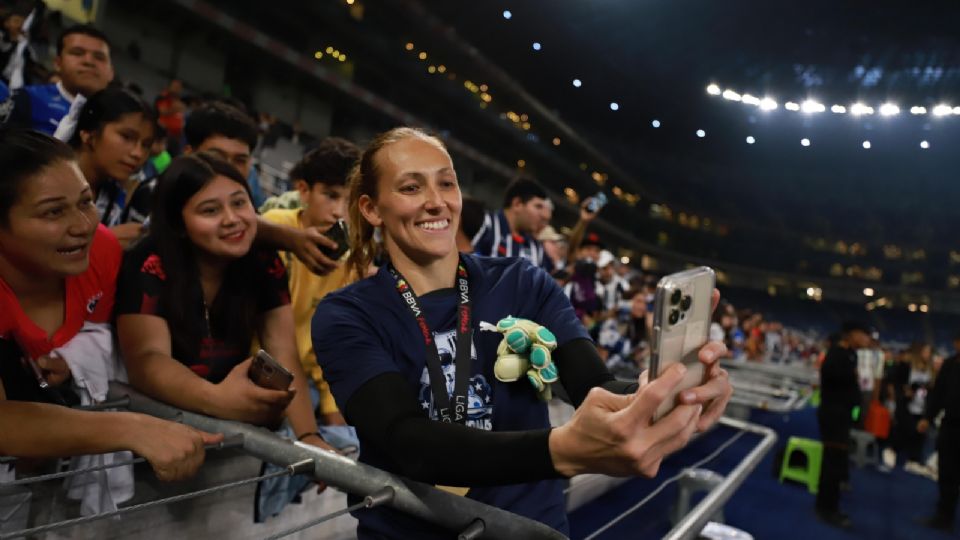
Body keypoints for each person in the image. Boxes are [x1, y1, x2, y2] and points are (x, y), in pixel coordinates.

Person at [311, 127, 732, 539]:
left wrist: (661, 391)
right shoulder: (347, 314)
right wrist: (560, 450)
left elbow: (593, 385)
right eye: (410, 188)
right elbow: (407, 442)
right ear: (370, 208)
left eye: (447, 184)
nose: (436, 202)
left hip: (531, 528)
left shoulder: (522, 283)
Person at [0, 128, 220, 481]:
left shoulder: (99, 252)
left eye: (86, 201)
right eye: (53, 212)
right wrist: (132, 429)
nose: (83, 226)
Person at [114, 153, 332, 453]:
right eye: (210, 210)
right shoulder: (150, 262)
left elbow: (282, 349)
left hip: (222, 426)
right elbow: (147, 358)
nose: (232, 219)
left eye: (239, 203)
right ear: (178, 223)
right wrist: (217, 400)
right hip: (153, 427)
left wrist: (308, 436)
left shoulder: (263, 261)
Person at [261, 138, 359, 426]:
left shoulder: (349, 263)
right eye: (330, 195)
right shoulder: (273, 226)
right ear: (303, 191)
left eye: (349, 201)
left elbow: (327, 348)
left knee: (348, 443)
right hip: (258, 370)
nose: (340, 212)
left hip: (308, 383)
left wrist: (334, 413)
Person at [183, 101, 341, 277]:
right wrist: (292, 238)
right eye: (215, 156)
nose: (228, 170)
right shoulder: (167, 208)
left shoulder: (261, 260)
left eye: (240, 160)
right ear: (189, 155)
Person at [69, 86, 156, 247]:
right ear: (89, 134)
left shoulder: (115, 195)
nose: (138, 153)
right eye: (127, 137)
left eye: (146, 145)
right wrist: (104, 242)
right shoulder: (42, 180)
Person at [2, 24, 114, 135]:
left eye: (99, 57)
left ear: (111, 72)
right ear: (58, 63)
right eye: (77, 53)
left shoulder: (122, 120)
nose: (88, 61)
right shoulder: (25, 99)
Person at [815, 320, 872, 528]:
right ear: (851, 334)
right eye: (863, 334)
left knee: (837, 462)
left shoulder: (851, 355)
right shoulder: (836, 354)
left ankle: (831, 504)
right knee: (832, 462)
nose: (866, 339)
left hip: (843, 416)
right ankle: (826, 508)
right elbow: (835, 382)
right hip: (833, 416)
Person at [918, 332, 960, 532]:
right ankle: (945, 514)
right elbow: (938, 394)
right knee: (946, 471)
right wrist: (927, 417)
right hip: (950, 426)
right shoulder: (950, 365)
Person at [472, 178, 551, 268]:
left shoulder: (536, 247)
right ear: (517, 204)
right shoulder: (485, 223)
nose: (542, 215)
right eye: (538, 206)